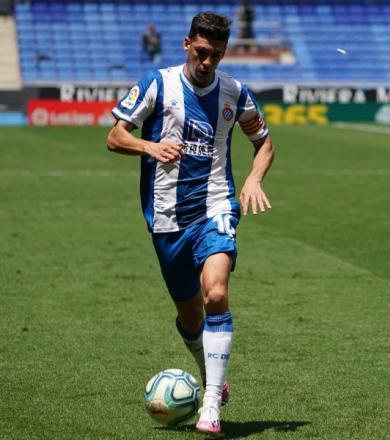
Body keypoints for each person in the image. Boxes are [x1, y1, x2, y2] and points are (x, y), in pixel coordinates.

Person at [107, 12, 274, 436]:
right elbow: (115, 136)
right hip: (165, 218)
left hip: (216, 207)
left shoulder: (235, 93)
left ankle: (210, 404)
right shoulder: (156, 84)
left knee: (215, 293)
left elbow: (264, 142)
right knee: (190, 316)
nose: (207, 63)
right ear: (186, 45)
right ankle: (208, 373)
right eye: (201, 53)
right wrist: (150, 145)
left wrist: (253, 177)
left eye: (215, 55)